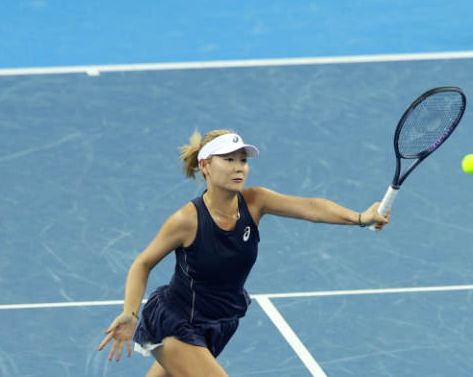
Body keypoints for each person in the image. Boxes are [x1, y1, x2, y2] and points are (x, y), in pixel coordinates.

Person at [96, 129, 390, 376]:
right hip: (176, 322)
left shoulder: (255, 201)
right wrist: (130, 312)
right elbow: (143, 263)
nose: (239, 167)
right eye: (229, 160)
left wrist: (359, 217)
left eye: (243, 160)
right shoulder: (187, 220)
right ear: (205, 165)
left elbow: (310, 207)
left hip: (219, 324)